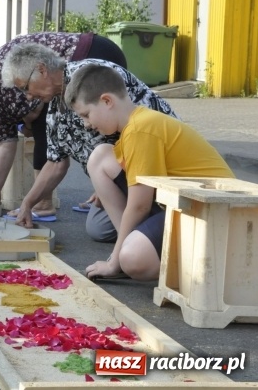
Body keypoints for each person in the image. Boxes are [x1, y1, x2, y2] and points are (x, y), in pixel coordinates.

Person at [64, 64, 233, 281]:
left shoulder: (139, 130)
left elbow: (140, 205)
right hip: (186, 202)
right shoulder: (135, 124)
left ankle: (202, 270)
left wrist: (114, 262)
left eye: (86, 115)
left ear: (107, 101)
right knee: (100, 157)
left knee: (133, 258)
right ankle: (131, 247)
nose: (86, 124)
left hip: (212, 214)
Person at [0, 43, 178, 236]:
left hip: (156, 166)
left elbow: (141, 128)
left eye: (25, 87)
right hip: (119, 173)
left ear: (42, 70)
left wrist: (108, 177)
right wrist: (27, 204)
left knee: (132, 236)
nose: (28, 96)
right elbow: (55, 163)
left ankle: (156, 228)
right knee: (98, 229)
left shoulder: (93, 75)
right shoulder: (54, 108)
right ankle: (146, 228)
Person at [0, 32, 127, 213]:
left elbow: (35, 109)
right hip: (87, 55)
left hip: (93, 51)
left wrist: (28, 124)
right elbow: (6, 141)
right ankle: (105, 190)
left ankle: (49, 202)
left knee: (81, 123)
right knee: (64, 126)